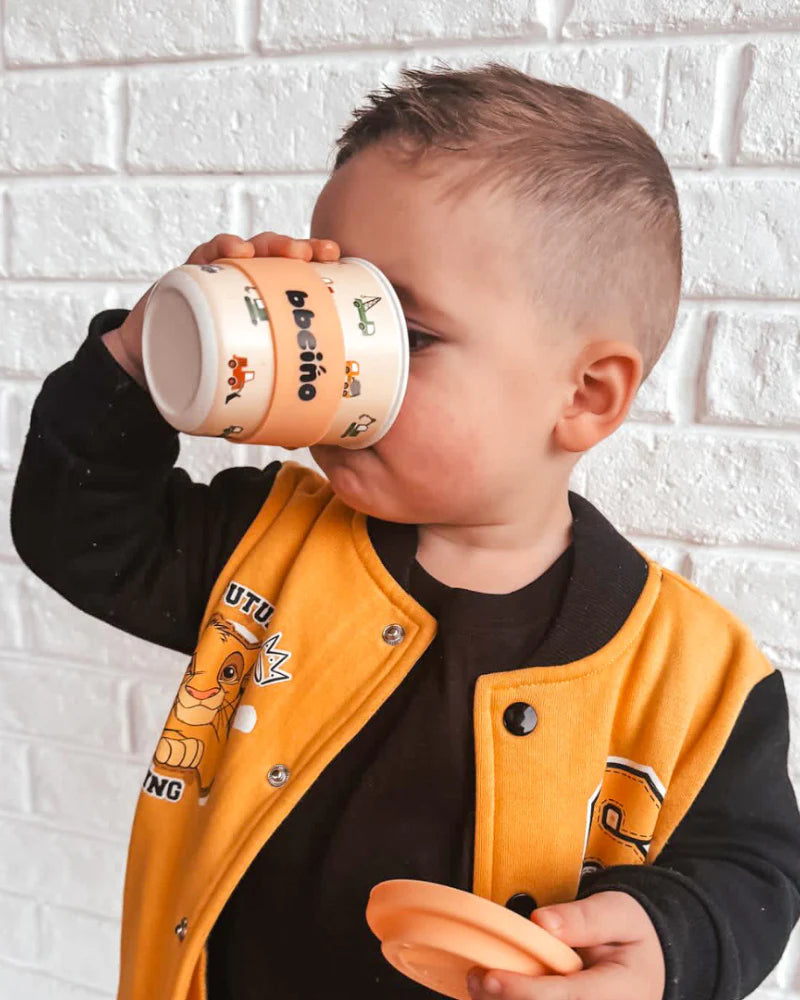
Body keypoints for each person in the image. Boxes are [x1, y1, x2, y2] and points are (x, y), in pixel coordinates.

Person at [11, 62, 800, 1000]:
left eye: (405, 336)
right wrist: (146, 354)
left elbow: (755, 870)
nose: (344, 366)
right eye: (339, 310)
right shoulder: (263, 547)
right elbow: (77, 526)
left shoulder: (698, 674)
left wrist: (672, 941)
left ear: (584, 396)